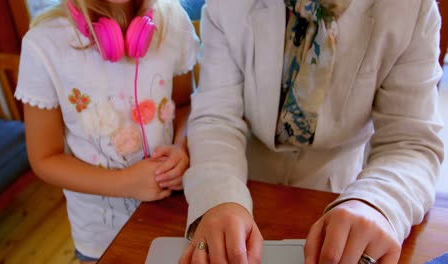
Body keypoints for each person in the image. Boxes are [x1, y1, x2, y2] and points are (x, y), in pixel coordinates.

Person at [180, 0, 444, 263]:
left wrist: (378, 202)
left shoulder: (411, 9)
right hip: (245, 183)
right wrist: (219, 197)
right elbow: (217, 118)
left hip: (341, 194)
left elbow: (410, 142)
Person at [14, 0, 199, 262]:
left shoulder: (173, 22)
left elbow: (184, 105)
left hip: (175, 217)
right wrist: (124, 183)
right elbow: (44, 158)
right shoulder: (43, 45)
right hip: (101, 239)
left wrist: (181, 146)